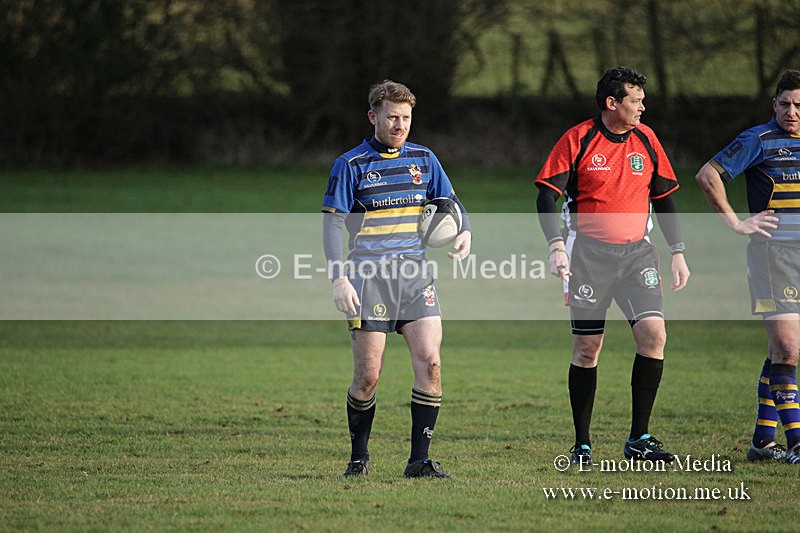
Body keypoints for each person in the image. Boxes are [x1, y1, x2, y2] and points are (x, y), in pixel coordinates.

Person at [535, 66, 690, 466]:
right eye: (635, 101)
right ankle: (582, 444)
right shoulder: (578, 139)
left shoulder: (647, 139)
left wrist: (677, 251)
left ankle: (639, 438)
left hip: (638, 256)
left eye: (641, 101)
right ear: (612, 103)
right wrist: (556, 246)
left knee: (654, 335)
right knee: (588, 348)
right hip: (588, 257)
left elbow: (664, 198)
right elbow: (546, 196)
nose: (642, 107)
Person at [322, 80, 472, 478]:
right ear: (373, 117)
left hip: (415, 277)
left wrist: (465, 231)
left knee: (431, 364)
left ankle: (419, 461)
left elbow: (452, 203)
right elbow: (333, 225)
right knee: (368, 376)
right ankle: (359, 458)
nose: (400, 124)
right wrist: (339, 279)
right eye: (392, 117)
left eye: (406, 117)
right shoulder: (351, 165)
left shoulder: (424, 158)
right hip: (368, 279)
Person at [695, 69, 800, 464]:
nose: (792, 112)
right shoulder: (759, 140)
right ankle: (797, 443)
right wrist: (736, 222)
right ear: (774, 104)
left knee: (781, 350)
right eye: (785, 104)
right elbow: (708, 175)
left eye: (799, 105)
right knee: (788, 347)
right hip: (775, 257)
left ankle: (762, 443)